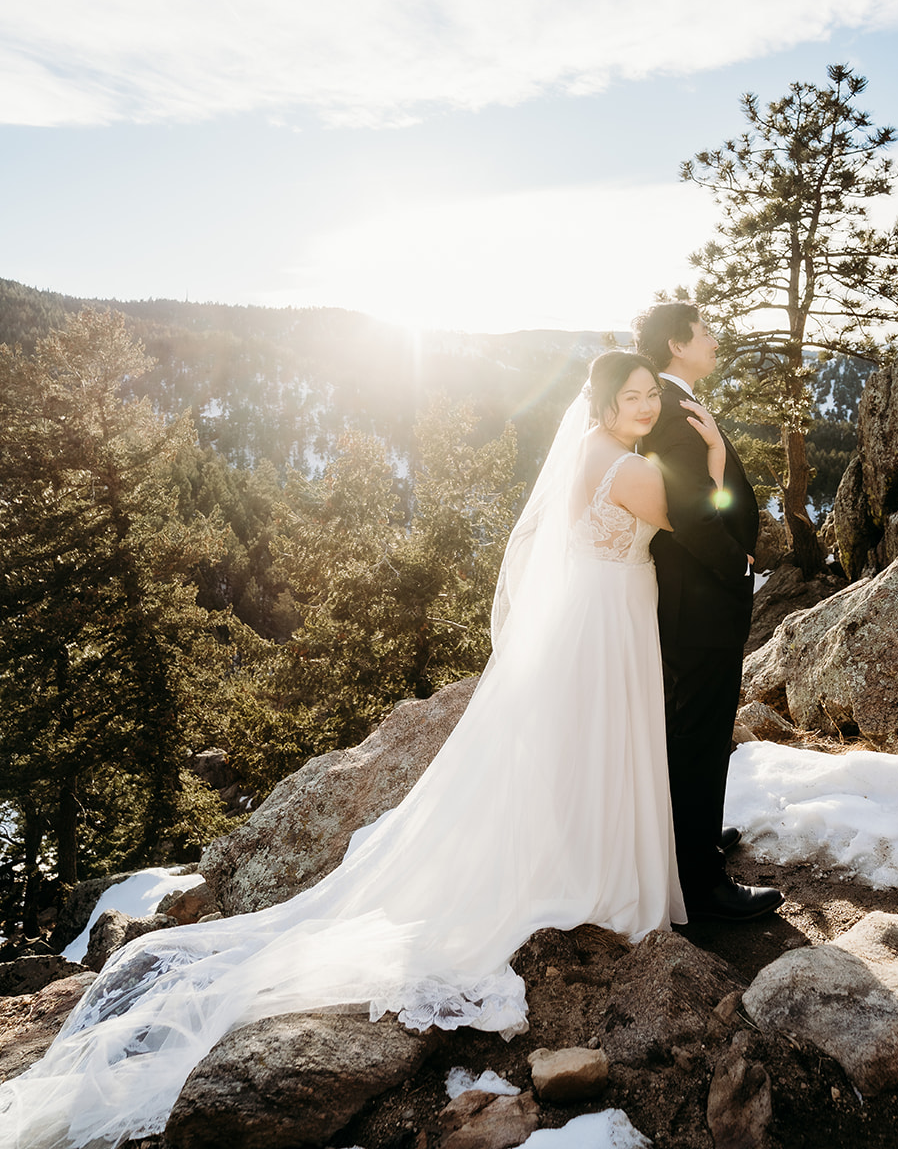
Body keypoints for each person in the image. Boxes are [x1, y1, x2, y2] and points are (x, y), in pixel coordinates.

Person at [0, 352, 711, 1149]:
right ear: (605, 402)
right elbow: (702, 516)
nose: (646, 406)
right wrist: (712, 453)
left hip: (593, 611)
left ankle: (583, 859)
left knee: (582, 746)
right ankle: (598, 879)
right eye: (633, 396)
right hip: (607, 618)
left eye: (653, 394)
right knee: (599, 743)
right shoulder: (625, 466)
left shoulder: (591, 450)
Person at [634, 302, 784, 924]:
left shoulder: (673, 402)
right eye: (706, 331)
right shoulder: (671, 414)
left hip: (697, 597)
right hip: (699, 601)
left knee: (692, 729)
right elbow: (693, 512)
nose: (717, 339)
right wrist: (738, 568)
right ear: (677, 342)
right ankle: (698, 884)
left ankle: (691, 837)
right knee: (698, 734)